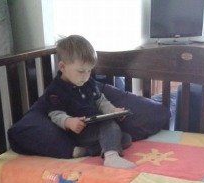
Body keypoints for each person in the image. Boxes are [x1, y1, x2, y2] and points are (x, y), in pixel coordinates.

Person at [9, 35, 135, 169]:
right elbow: (55, 113)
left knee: (126, 138)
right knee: (110, 126)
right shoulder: (56, 90)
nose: (86, 76)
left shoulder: (88, 82)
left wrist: (112, 111)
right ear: (62, 67)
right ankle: (111, 157)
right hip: (77, 131)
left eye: (89, 70)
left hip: (94, 127)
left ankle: (86, 151)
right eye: (81, 71)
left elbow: (100, 101)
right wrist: (69, 122)